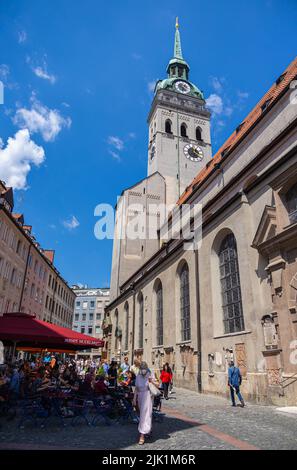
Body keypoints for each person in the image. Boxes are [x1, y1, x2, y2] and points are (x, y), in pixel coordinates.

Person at [133, 361, 158, 446]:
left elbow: (158, 384)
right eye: (142, 369)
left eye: (144, 369)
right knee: (142, 415)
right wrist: (134, 398)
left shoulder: (150, 374)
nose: (143, 370)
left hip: (148, 396)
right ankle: (148, 429)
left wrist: (152, 381)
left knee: (146, 415)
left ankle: (142, 435)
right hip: (140, 396)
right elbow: (136, 388)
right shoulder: (138, 376)